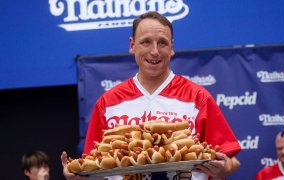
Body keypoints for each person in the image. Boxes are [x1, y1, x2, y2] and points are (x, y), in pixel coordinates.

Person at [61, 11, 241, 180]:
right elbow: (95, 168)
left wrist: (224, 169)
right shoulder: (107, 103)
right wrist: (78, 175)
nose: (155, 51)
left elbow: (232, 161)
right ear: (132, 45)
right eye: (146, 42)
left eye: (162, 42)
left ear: (172, 47)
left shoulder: (198, 97)